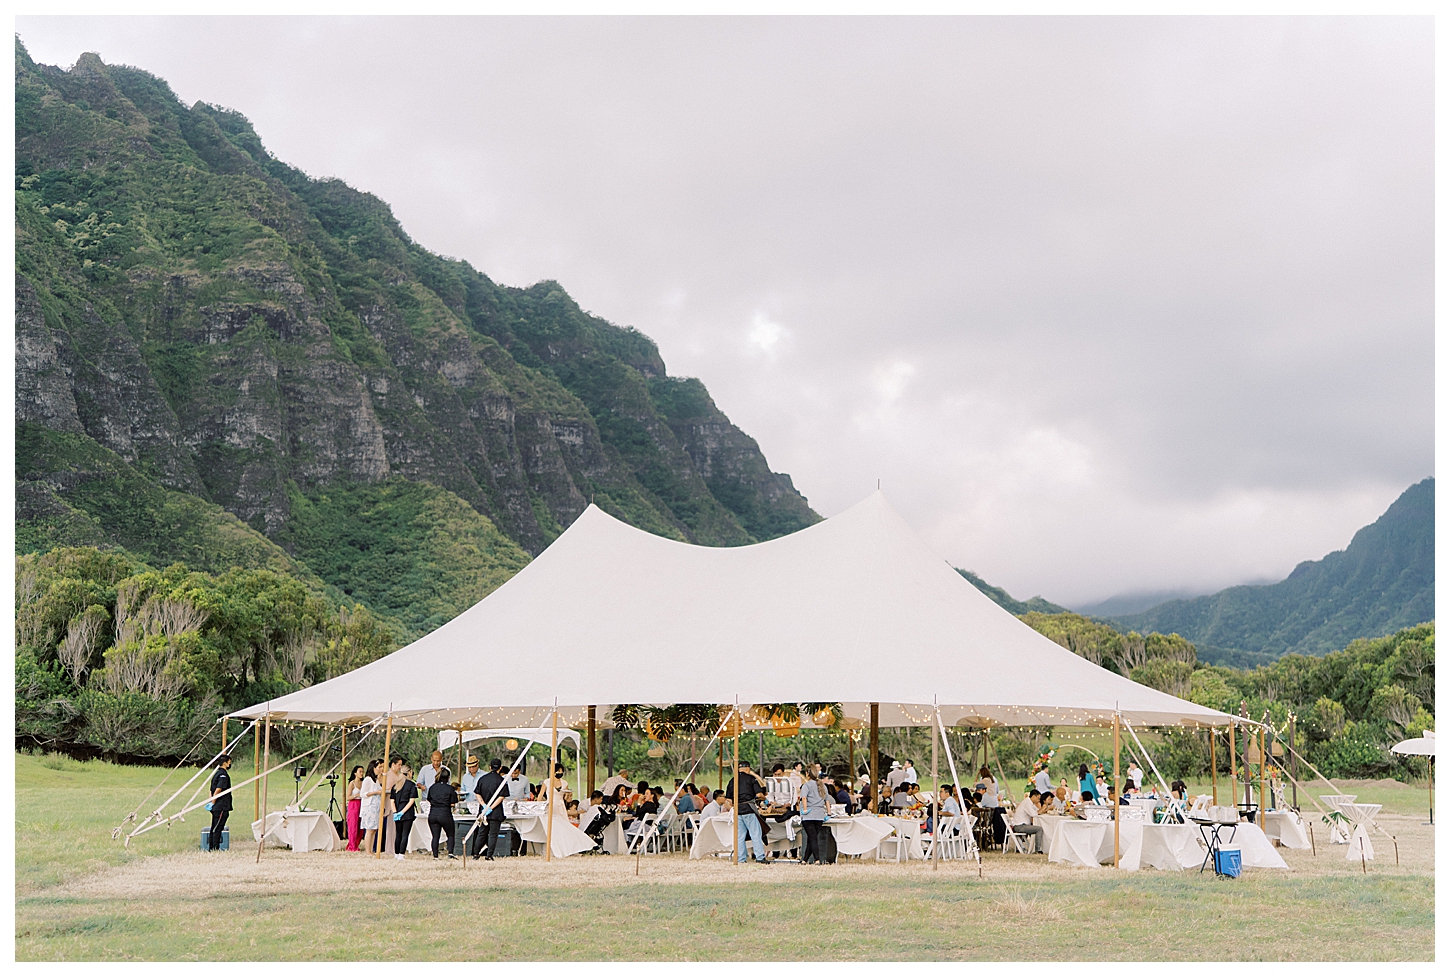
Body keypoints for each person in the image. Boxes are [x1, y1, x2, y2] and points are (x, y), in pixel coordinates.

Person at [725, 760, 771, 864]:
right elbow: (759, 795)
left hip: (737, 810)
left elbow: (729, 800)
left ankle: (741, 859)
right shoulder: (751, 779)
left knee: (740, 836)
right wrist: (765, 799)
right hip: (749, 809)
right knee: (755, 834)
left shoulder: (733, 780)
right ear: (748, 768)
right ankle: (760, 857)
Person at [470, 758, 507, 860]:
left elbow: (477, 793)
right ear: (500, 768)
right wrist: (491, 807)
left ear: (490, 767)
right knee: (493, 834)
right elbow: (501, 797)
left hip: (483, 812)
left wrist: (484, 805)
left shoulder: (482, 779)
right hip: (496, 812)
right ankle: (489, 855)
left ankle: (476, 853)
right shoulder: (502, 781)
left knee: (481, 833)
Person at [426, 766, 460, 858]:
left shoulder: (432, 787)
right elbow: (453, 802)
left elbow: (429, 799)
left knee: (435, 836)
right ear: (448, 778)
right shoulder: (450, 789)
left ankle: (435, 855)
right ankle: (450, 853)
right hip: (445, 813)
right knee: (450, 834)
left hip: (433, 813)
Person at [797, 767, 829, 864]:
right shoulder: (822, 786)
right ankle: (804, 860)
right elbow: (826, 800)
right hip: (819, 815)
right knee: (812, 838)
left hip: (809, 815)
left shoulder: (806, 785)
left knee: (812, 838)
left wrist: (805, 809)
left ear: (807, 773)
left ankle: (817, 859)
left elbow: (803, 798)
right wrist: (829, 812)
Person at [390, 764, 419, 860]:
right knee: (405, 834)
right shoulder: (411, 785)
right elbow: (411, 801)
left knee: (398, 834)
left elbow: (392, 801)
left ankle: (396, 853)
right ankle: (401, 854)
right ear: (410, 772)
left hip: (397, 811)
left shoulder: (395, 785)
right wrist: (402, 812)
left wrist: (395, 812)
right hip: (407, 813)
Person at [206, 754, 233, 850]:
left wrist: (210, 801)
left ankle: (212, 847)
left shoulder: (216, 774)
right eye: (229, 762)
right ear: (225, 763)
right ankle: (214, 848)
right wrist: (213, 803)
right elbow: (218, 790)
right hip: (221, 806)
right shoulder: (223, 775)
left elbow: (211, 790)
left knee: (215, 826)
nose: (230, 764)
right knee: (217, 828)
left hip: (217, 805)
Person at [361, 760, 384, 855]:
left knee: (374, 829)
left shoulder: (377, 780)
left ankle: (371, 849)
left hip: (376, 807)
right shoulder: (367, 779)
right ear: (374, 768)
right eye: (379, 767)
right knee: (369, 829)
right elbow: (363, 793)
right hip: (369, 807)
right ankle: (367, 850)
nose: (381, 769)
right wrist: (375, 792)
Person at [345, 765, 364, 851]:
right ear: (355, 773)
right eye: (360, 771)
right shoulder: (352, 783)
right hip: (353, 804)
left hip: (361, 804)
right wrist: (356, 795)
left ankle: (356, 843)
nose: (361, 773)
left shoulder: (363, 783)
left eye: (362, 772)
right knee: (353, 825)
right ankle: (352, 846)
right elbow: (348, 797)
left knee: (360, 826)